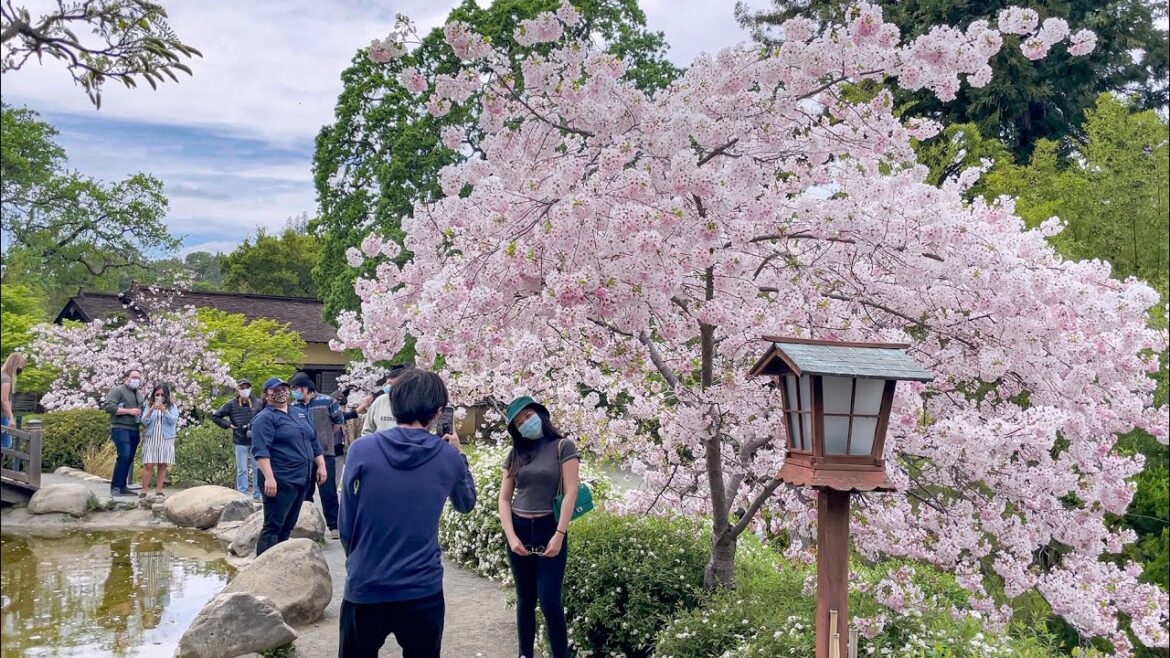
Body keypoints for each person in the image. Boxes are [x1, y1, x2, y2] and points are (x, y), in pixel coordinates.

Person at [338, 368, 476, 658]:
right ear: (438, 412)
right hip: (422, 587)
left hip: (366, 584)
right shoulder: (447, 456)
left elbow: (346, 522)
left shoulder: (362, 450)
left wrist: (359, 559)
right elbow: (466, 504)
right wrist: (459, 456)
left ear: (393, 403)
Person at [497, 396, 580, 658]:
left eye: (528, 416)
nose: (526, 424)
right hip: (519, 528)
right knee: (525, 601)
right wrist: (511, 537)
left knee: (550, 602)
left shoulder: (563, 446)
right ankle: (524, 654)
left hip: (549, 528)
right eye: (520, 423)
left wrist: (559, 534)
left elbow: (571, 491)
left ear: (541, 415)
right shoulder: (516, 454)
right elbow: (503, 498)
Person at [251, 376, 326, 556]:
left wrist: (321, 466)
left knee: (288, 525)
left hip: (303, 477)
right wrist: (269, 478)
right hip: (280, 478)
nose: (281, 393)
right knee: (273, 525)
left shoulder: (299, 412)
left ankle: (280, 561)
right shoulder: (264, 418)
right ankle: (262, 565)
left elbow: (314, 441)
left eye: (283, 389)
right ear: (266, 395)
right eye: (275, 390)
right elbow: (261, 451)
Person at [289, 372, 345, 540]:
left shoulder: (328, 401)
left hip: (325, 452)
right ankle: (308, 524)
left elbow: (338, 422)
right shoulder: (293, 406)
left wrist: (325, 438)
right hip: (303, 455)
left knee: (328, 491)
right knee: (305, 491)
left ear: (306, 388)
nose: (294, 392)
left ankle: (334, 526)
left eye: (296, 388)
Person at [212, 379, 262, 501]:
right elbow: (215, 416)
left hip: (256, 439)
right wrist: (228, 425)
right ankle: (242, 494)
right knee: (242, 469)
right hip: (239, 439)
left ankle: (258, 493)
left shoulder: (258, 403)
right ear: (238, 389)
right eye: (242, 387)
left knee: (258, 468)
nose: (245, 390)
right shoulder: (231, 404)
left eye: (247, 387)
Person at [102, 368, 146, 497]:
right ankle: (115, 486)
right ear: (126, 378)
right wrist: (129, 411)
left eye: (138, 378)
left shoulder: (139, 394)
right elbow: (109, 407)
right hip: (120, 427)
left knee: (130, 457)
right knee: (124, 455)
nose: (136, 380)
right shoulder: (117, 390)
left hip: (134, 428)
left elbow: (142, 410)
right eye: (133, 377)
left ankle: (122, 486)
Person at [139, 383, 178, 499]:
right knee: (149, 464)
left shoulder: (172, 407)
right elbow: (144, 421)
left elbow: (173, 421)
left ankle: (159, 490)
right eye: (157, 394)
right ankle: (144, 490)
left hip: (166, 439)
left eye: (162, 394)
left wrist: (164, 411)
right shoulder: (149, 405)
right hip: (151, 437)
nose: (159, 396)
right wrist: (151, 410)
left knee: (162, 464)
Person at [359, 364, 412, 437]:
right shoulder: (380, 401)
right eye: (388, 383)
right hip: (378, 446)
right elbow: (367, 430)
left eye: (393, 384)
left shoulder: (413, 403)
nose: (389, 387)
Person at [1, 353, 28, 471]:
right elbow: (4, 400)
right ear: (15, 365)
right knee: (6, 443)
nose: (21, 369)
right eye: (20, 366)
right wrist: (11, 417)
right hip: (2, 415)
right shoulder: (6, 379)